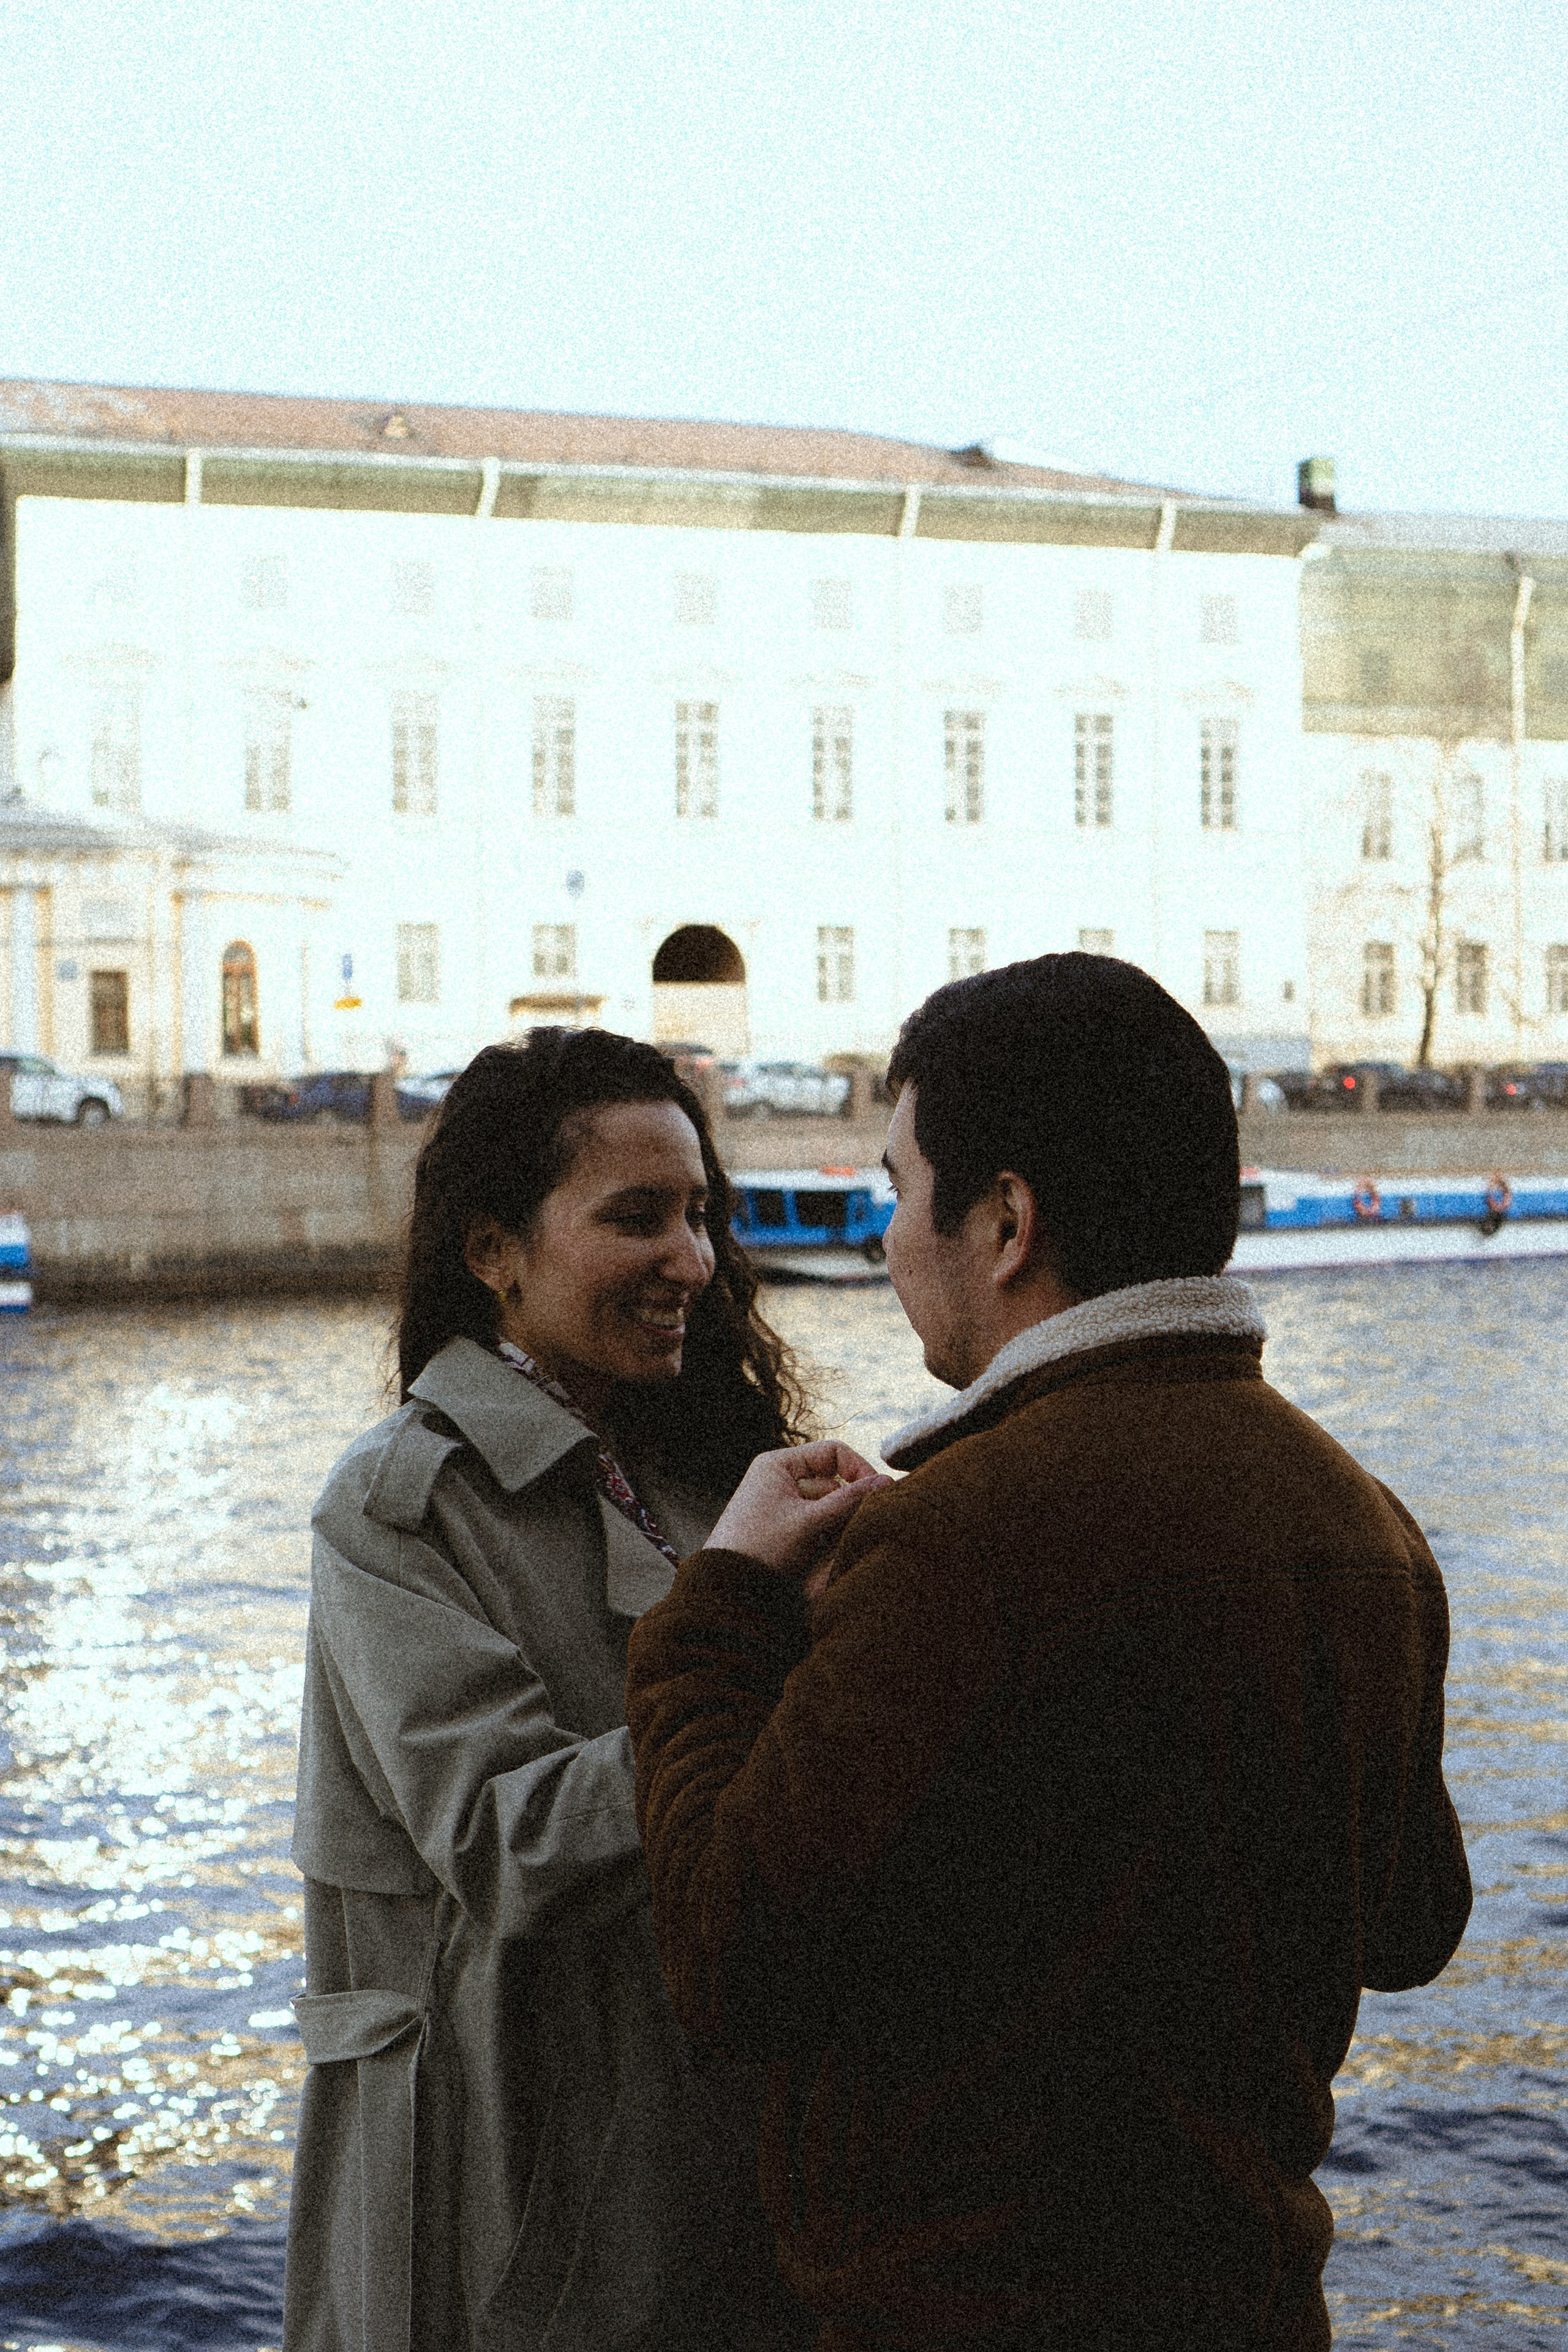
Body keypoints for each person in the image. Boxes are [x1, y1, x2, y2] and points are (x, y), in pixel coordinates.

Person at [626, 954, 1474, 2352]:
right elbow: (1410, 1923)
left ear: (1004, 1220)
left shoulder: (958, 1545)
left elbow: (724, 1957)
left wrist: (717, 1612)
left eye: (898, 1190)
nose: (891, 1238)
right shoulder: (1359, 1524)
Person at [283, 1028, 827, 2352]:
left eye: (702, 1217)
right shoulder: (398, 1504)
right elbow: (502, 1840)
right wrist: (741, 1623)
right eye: (636, 1219)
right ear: (492, 1252)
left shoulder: (710, 1473)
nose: (692, 1262)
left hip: (710, 2167)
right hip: (502, 2197)